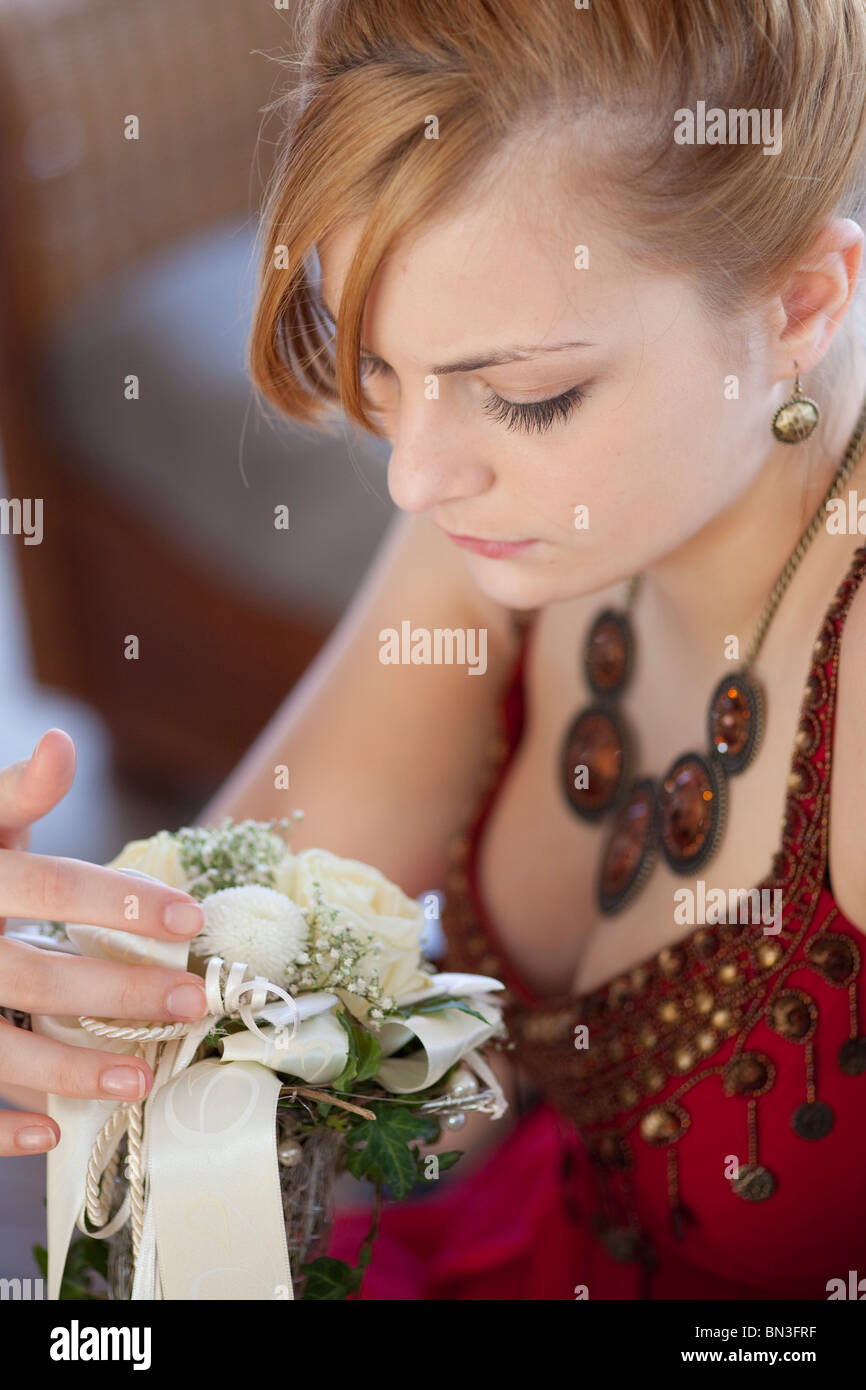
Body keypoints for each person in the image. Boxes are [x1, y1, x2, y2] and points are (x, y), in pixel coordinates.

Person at [2, 0, 866, 1299]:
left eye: (526, 396)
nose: (412, 477)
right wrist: (66, 976)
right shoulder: (505, 517)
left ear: (800, 301)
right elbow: (244, 909)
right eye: (383, 368)